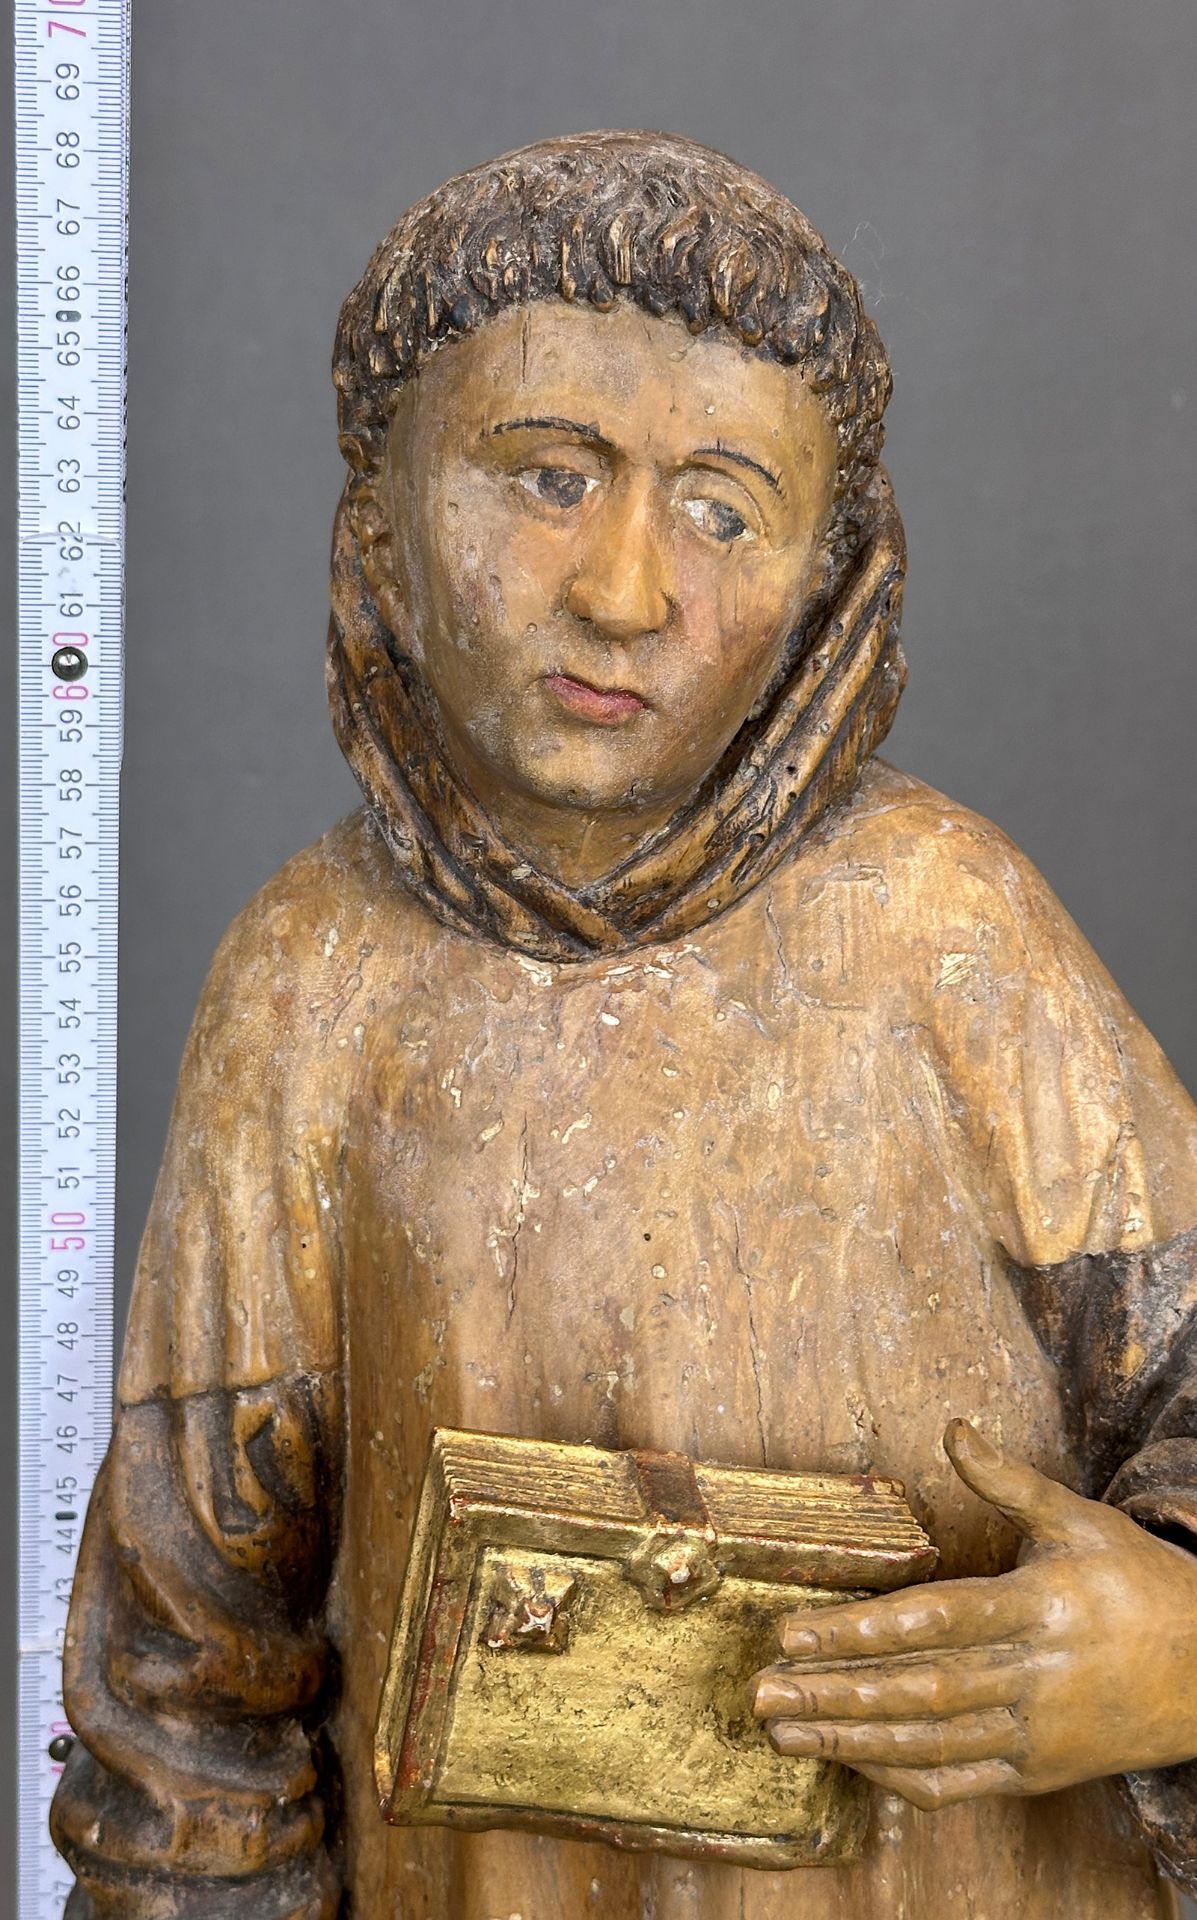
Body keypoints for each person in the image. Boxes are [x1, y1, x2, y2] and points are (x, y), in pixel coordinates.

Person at [52, 130, 1197, 1918]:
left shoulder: (947, 935)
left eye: (723, 506)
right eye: (545, 475)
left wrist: (1174, 1650)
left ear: (837, 582)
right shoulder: (309, 987)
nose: (623, 590)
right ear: (379, 519)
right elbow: (185, 1689)